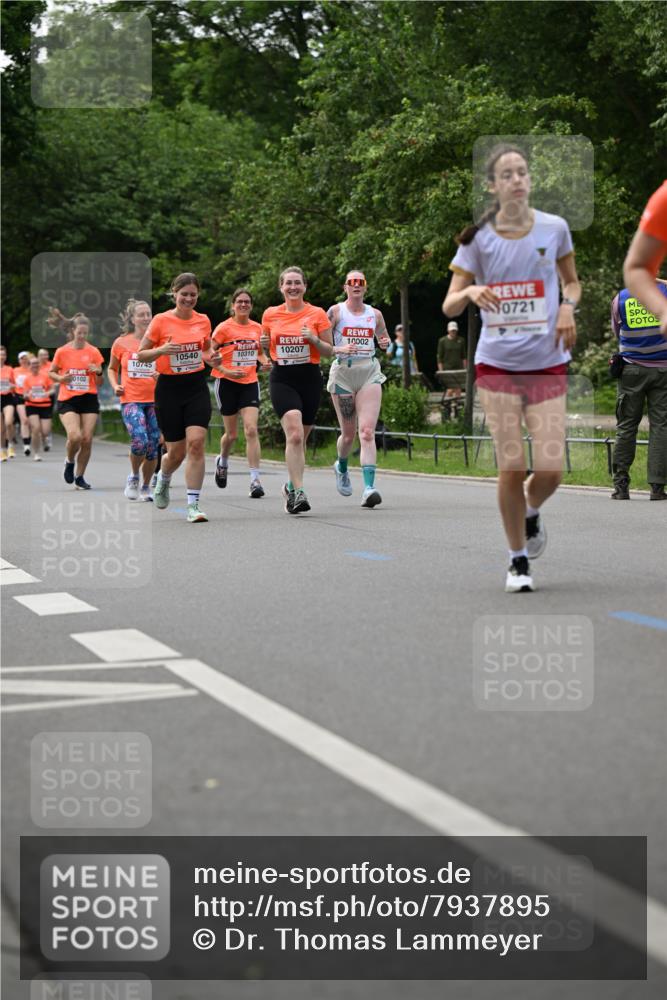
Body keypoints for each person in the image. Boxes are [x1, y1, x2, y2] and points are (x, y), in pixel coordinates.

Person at [443, 142, 581, 593]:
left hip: (546, 362)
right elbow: (449, 304)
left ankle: (530, 510)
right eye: (507, 174)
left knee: (551, 469)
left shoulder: (555, 227)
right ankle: (518, 560)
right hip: (497, 364)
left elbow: (572, 283)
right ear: (492, 186)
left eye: (522, 172)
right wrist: (469, 293)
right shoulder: (478, 240)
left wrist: (567, 307)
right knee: (511, 464)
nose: (517, 180)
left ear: (530, 179)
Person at [137, 272, 219, 523]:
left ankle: (193, 505)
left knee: (197, 443)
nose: (189, 299)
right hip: (169, 389)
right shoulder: (161, 321)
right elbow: (141, 354)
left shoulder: (203, 320)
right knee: (176, 453)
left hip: (195, 386)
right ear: (175, 293)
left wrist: (213, 358)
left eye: (193, 295)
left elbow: (206, 350)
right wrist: (162, 349)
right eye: (184, 294)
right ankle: (163, 478)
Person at [261, 266, 332, 514]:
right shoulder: (270, 314)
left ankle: (290, 486)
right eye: (288, 283)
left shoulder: (317, 313)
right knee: (294, 434)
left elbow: (329, 350)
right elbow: (266, 346)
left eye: (297, 283)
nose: (293, 287)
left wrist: (313, 339)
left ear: (305, 286)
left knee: (301, 439)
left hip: (309, 378)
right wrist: (263, 348)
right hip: (282, 378)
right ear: (281, 287)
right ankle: (299, 493)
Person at [614, 180, 667, 501]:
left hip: (632, 369)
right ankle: (657, 487)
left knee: (627, 426)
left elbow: (617, 331)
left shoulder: (622, 297)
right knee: (661, 427)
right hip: (663, 371)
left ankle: (620, 485)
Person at [326, 270, 391, 507]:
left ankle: (369, 488)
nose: (356, 285)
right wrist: (339, 349)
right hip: (343, 373)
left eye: (360, 282)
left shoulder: (375, 314)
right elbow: (323, 343)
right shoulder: (335, 312)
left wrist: (385, 343)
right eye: (351, 282)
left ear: (365, 287)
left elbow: (384, 340)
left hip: (368, 372)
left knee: (367, 432)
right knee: (348, 434)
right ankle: (341, 466)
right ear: (345, 287)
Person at [211, 288, 271, 498]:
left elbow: (260, 353)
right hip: (226, 383)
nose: (243, 305)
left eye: (247, 302)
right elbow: (209, 353)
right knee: (232, 435)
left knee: (251, 430)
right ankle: (223, 461)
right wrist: (225, 370)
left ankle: (255, 480)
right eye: (240, 302)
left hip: (249, 383)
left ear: (251, 306)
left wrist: (265, 362)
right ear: (233, 305)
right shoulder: (224, 328)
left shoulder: (257, 328)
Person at [109, 299, 160, 502]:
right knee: (140, 440)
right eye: (141, 315)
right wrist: (115, 385)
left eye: (148, 314)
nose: (146, 318)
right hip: (131, 399)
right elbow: (112, 368)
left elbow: (168, 367)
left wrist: (161, 376)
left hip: (156, 400)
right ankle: (134, 476)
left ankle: (146, 487)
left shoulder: (159, 341)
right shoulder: (121, 342)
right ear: (132, 319)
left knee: (153, 446)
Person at [48, 312, 105, 489]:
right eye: (79, 332)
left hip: (89, 399)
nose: (82, 336)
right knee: (75, 436)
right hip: (68, 399)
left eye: (85, 333)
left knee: (87, 439)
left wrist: (98, 372)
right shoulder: (62, 351)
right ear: (73, 331)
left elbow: (100, 382)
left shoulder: (93, 352)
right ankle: (69, 461)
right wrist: (61, 379)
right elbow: (51, 372)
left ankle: (79, 477)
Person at [22, 354, 55, 460]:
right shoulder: (27, 379)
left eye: (36, 363)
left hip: (45, 405)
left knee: (45, 431)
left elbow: (53, 389)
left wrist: (47, 393)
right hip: (32, 405)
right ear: (29, 366)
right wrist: (27, 395)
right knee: (35, 429)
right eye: (33, 364)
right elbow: (24, 394)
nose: (35, 365)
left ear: (39, 365)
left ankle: (44, 439)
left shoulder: (45, 376)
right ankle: (36, 453)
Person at [437, 320, 467, 418]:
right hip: (447, 368)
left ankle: (458, 410)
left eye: (454, 330)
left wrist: (465, 369)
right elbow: (439, 357)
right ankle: (447, 408)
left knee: (458, 389)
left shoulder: (461, 340)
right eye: (451, 330)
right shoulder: (442, 341)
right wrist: (441, 370)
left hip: (459, 368)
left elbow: (464, 356)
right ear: (448, 330)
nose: (453, 332)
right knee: (449, 389)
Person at [13, 351, 32, 455]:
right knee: (24, 420)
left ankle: (30, 438)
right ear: (19, 360)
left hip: (32, 397)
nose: (24, 360)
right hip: (19, 396)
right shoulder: (15, 370)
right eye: (22, 358)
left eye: (25, 358)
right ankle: (26, 445)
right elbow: (10, 382)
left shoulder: (32, 369)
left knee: (31, 421)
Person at [0, 345, 17, 460]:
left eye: (3, 354)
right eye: (0, 354)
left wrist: (12, 386)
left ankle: (10, 445)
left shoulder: (10, 369)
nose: (2, 357)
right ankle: (2, 450)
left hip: (8, 398)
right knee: (1, 429)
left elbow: (15, 385)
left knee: (9, 422)